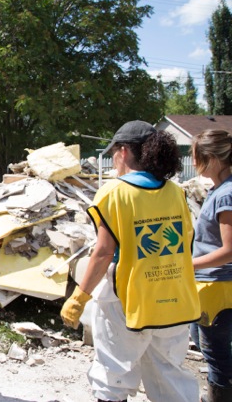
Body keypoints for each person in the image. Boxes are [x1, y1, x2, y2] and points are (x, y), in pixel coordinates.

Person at [60, 120, 200, 402]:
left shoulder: (114, 192)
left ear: (123, 152)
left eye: (114, 152)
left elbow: (102, 252)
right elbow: (185, 242)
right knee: (170, 377)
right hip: (174, 297)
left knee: (114, 375)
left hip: (126, 299)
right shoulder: (176, 192)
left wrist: (79, 297)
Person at [189, 129, 232, 402]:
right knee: (205, 342)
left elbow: (229, 250)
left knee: (217, 356)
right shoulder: (220, 190)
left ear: (212, 159)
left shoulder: (226, 195)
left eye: (196, 157)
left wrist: (186, 264)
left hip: (219, 286)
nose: (193, 164)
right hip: (212, 285)